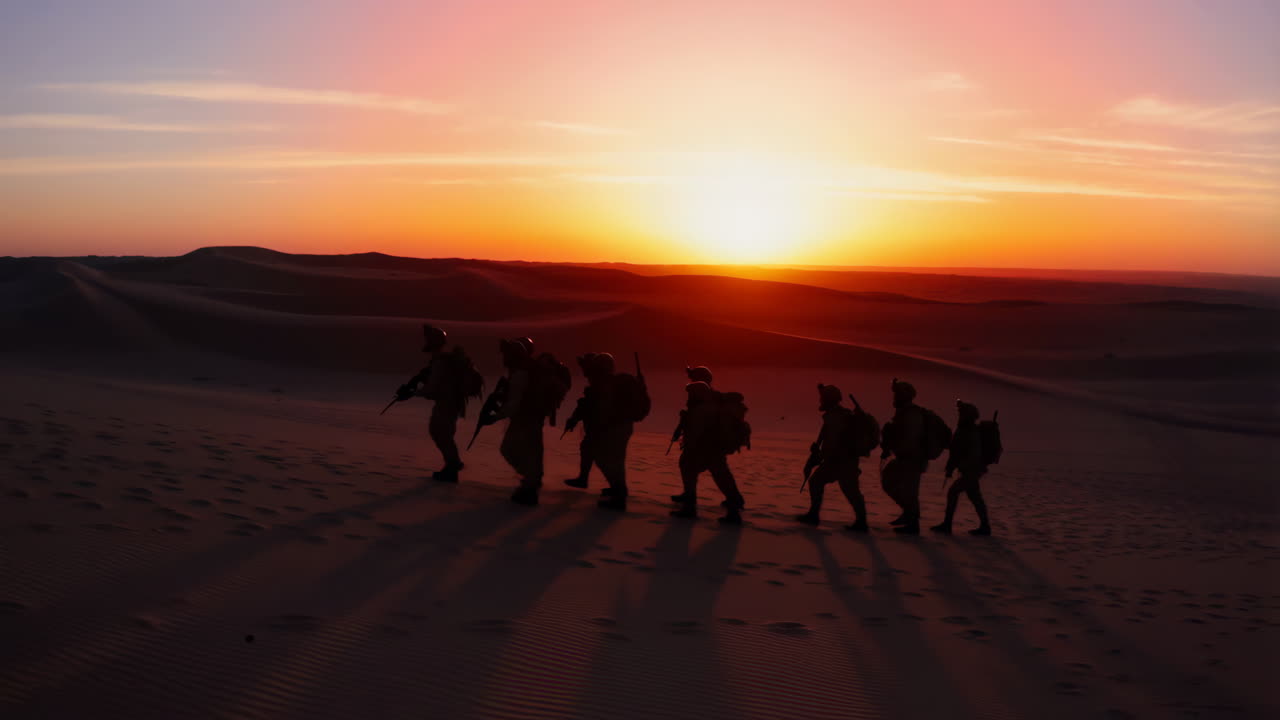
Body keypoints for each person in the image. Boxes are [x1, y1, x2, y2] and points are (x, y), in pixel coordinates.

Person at [394, 324, 479, 483]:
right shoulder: (441, 360)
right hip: (449, 403)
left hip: (447, 404)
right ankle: (451, 466)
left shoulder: (441, 362)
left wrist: (413, 393)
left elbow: (432, 389)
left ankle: (452, 467)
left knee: (441, 434)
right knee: (440, 433)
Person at [670, 381, 746, 525]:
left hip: (705, 450)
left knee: (690, 471)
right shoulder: (711, 407)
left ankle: (690, 508)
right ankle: (734, 508)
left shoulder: (702, 409)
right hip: (714, 450)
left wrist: (689, 447)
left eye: (691, 393)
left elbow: (695, 433)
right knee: (722, 478)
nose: (688, 397)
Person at [797, 384, 869, 531]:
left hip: (843, 461)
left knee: (850, 491)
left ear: (829, 400)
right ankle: (813, 515)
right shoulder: (834, 415)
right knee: (817, 482)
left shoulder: (837, 417)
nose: (820, 401)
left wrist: (820, 456)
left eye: (823, 398)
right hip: (837, 461)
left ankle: (861, 522)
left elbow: (834, 443)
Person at [583, 352, 646, 512]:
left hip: (614, 427)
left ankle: (619, 495)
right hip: (622, 426)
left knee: (608, 459)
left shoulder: (607, 383)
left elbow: (604, 407)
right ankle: (617, 489)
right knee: (613, 459)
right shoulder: (617, 381)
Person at [490, 337, 546, 506]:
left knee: (510, 449)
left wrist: (495, 417)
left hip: (525, 418)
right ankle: (531, 482)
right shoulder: (525, 371)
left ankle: (530, 486)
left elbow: (514, 403)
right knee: (530, 452)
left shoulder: (521, 374)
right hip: (531, 417)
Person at [932, 400, 992, 536]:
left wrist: (955, 467)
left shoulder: (969, 431)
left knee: (954, 492)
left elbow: (960, 452)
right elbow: (955, 451)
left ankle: (947, 524)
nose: (959, 414)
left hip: (971, 470)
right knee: (975, 496)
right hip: (970, 470)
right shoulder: (965, 429)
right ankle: (985, 526)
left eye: (961, 412)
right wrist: (951, 467)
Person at [879, 379, 928, 534]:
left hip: (912, 459)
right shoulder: (903, 413)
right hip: (904, 458)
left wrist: (893, 440)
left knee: (910, 492)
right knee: (888, 481)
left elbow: (909, 438)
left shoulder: (912, 414)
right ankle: (909, 514)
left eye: (897, 394)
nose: (894, 398)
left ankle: (913, 525)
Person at [562, 353, 601, 490]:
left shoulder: (599, 383)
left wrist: (575, 418)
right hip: (597, 425)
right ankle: (583, 478)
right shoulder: (597, 381)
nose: (583, 370)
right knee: (589, 450)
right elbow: (585, 404)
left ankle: (617, 488)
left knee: (599, 455)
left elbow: (587, 405)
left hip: (599, 426)